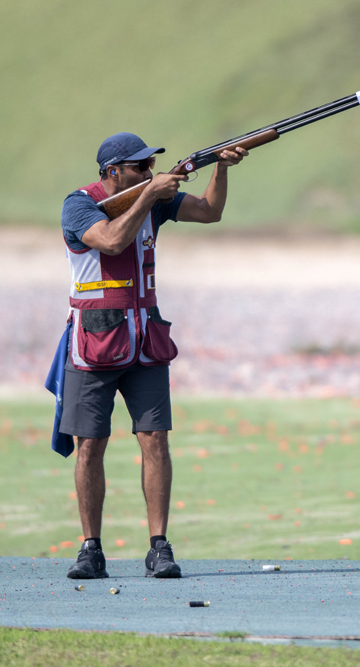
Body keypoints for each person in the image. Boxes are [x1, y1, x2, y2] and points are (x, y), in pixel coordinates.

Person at [58, 132, 248, 579]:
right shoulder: (79, 204)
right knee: (90, 446)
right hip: (94, 341)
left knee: (156, 440)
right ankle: (91, 549)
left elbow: (210, 211)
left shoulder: (149, 196)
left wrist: (221, 167)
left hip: (145, 338)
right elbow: (110, 241)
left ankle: (159, 547)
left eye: (150, 167)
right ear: (112, 172)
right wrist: (150, 194)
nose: (148, 172)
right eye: (139, 167)